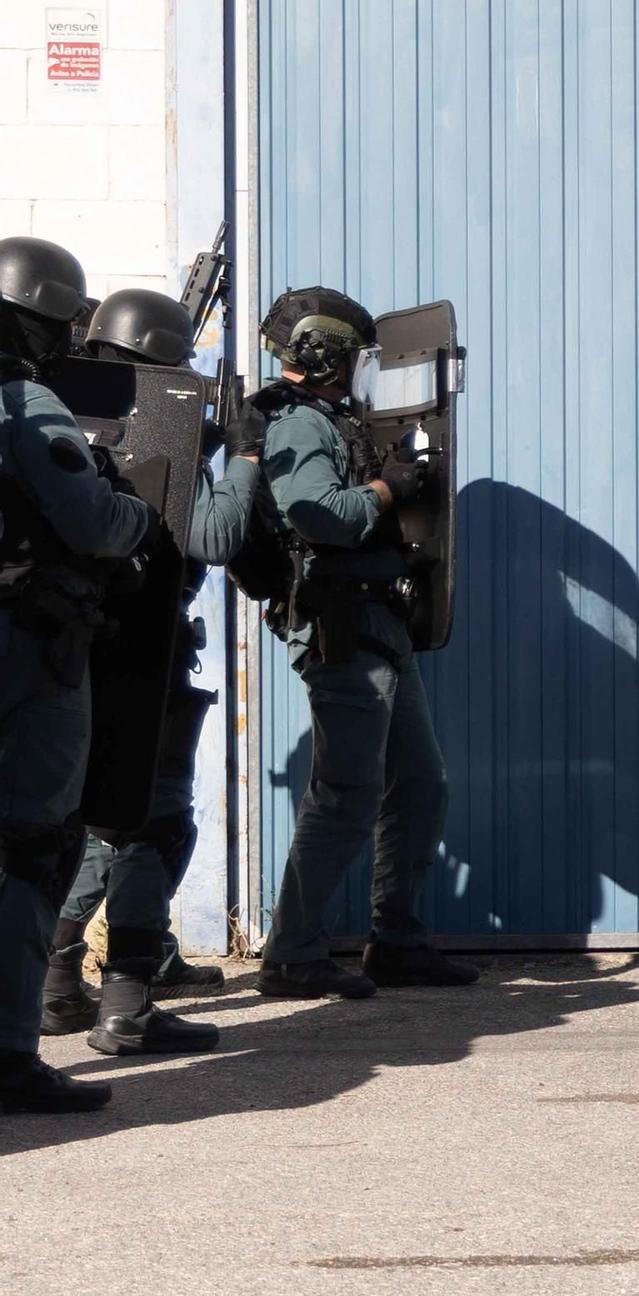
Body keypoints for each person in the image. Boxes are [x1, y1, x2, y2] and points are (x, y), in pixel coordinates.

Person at [39, 289, 263, 1054]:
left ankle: (58, 985)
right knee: (153, 824)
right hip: (145, 654)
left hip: (68, 650)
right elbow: (215, 536)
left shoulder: (55, 411)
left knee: (84, 821)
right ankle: (129, 1003)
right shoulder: (161, 419)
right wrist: (242, 455)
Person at [255, 286, 473, 999]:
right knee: (346, 793)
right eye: (353, 360)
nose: (359, 376)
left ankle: (398, 941)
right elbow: (321, 516)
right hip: (342, 628)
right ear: (324, 356)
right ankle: (291, 953)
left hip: (376, 622)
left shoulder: (326, 420)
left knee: (418, 785)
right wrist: (387, 490)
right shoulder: (297, 427)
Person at [0, 236, 154, 1111]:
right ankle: (9, 1055)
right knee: (32, 846)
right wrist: (134, 508)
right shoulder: (24, 402)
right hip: (28, 646)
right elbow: (96, 522)